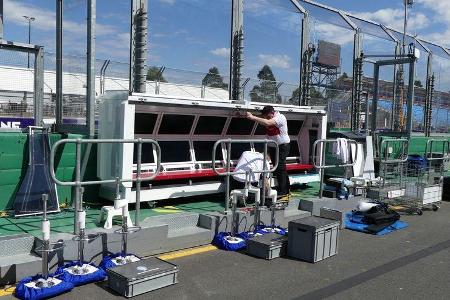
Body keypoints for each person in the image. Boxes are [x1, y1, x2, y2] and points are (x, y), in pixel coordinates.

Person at [246, 105, 290, 198]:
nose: (266, 118)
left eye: (267, 116)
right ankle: (285, 189)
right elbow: (268, 131)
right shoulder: (268, 117)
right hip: (273, 147)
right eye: (265, 117)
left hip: (282, 146)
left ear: (272, 113)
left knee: (280, 167)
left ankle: (284, 191)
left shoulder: (280, 117)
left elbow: (268, 123)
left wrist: (252, 117)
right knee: (278, 168)